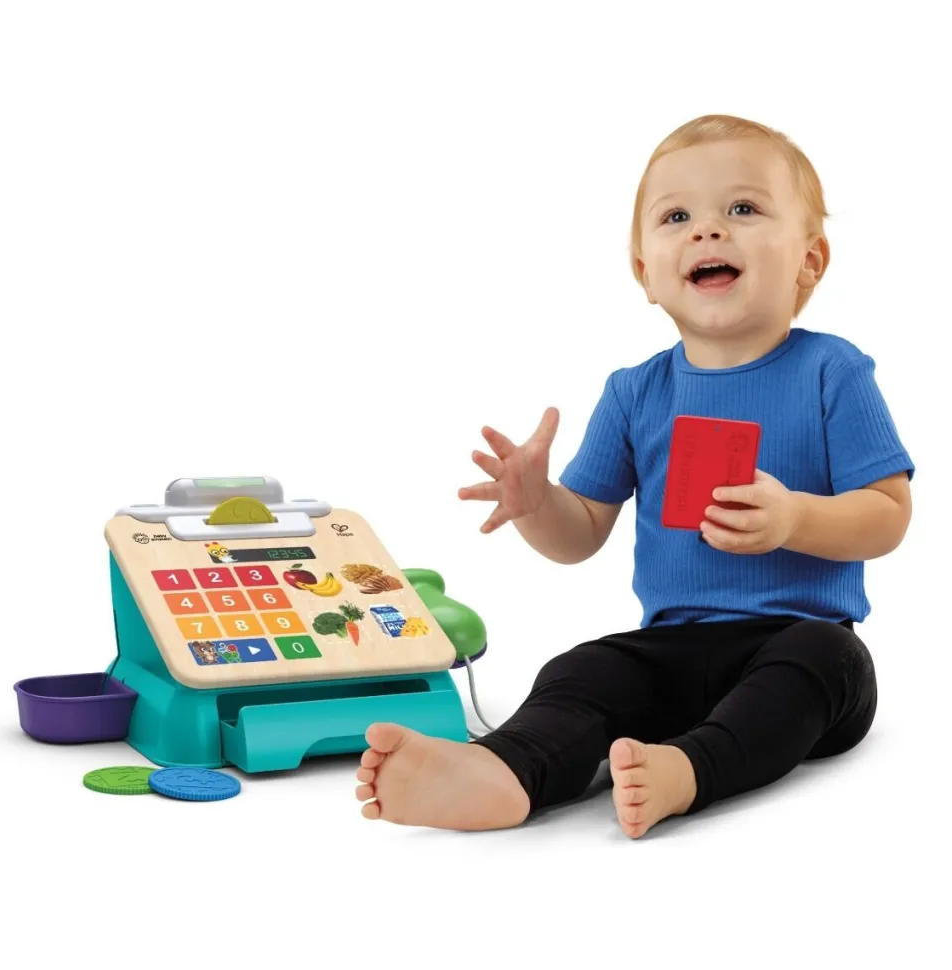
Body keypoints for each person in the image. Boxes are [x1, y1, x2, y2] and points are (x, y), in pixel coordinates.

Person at [353, 114, 915, 838]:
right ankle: (505, 769)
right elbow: (580, 533)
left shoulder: (833, 370)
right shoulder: (635, 392)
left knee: (825, 662)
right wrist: (537, 503)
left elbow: (889, 513)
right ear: (647, 273)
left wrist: (795, 519)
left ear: (810, 260)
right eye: (677, 217)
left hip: (799, 635)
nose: (707, 230)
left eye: (743, 208)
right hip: (671, 649)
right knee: (581, 668)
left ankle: (691, 769)